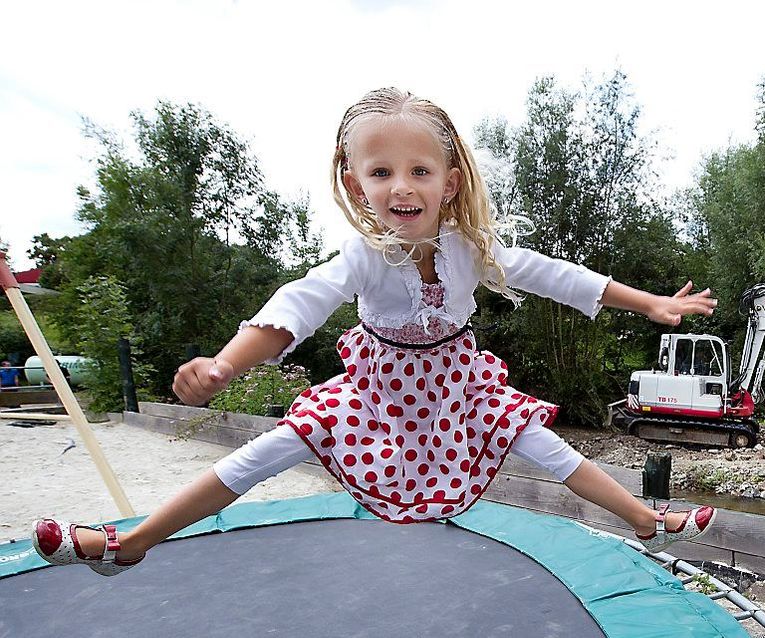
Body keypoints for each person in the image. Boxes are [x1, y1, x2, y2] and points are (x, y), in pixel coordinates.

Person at [32, 88, 719, 577]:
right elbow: (296, 305)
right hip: (375, 394)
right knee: (260, 457)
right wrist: (223, 366)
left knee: (544, 446)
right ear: (357, 184)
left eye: (419, 170)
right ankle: (134, 543)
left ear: (448, 183)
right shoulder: (362, 256)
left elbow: (559, 276)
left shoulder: (472, 248)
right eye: (381, 172)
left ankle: (639, 517)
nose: (401, 186)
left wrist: (651, 302)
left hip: (457, 388)